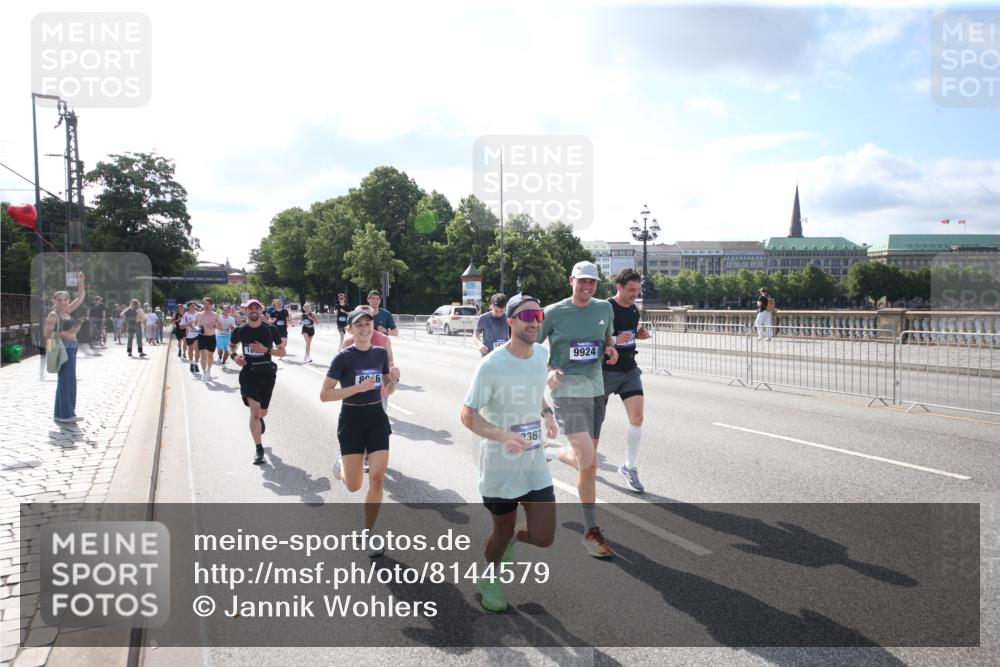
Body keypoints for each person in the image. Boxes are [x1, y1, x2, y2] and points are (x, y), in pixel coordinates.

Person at [460, 293, 558, 612]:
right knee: (500, 531)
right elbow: (467, 414)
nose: (535, 322)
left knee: (544, 536)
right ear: (511, 320)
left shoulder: (541, 355)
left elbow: (535, 391)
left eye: (539, 316)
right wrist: (502, 435)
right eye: (527, 316)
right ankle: (489, 577)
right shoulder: (491, 365)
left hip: (533, 462)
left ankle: (515, 539)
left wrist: (547, 413)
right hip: (500, 466)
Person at [536, 260, 617, 558]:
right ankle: (591, 531)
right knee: (589, 460)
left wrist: (610, 348)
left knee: (589, 464)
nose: (587, 286)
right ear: (571, 281)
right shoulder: (554, 312)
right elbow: (532, 348)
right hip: (566, 392)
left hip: (595, 391)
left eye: (592, 282)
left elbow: (607, 338)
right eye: (582, 281)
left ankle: (551, 452)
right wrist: (548, 371)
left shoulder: (604, 309)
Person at [321, 307, 400, 554]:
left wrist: (394, 380)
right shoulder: (343, 358)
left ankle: (367, 533)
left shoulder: (380, 353)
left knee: (377, 477)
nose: (364, 329)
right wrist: (356, 388)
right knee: (354, 486)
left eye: (368, 324)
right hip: (351, 420)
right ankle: (342, 464)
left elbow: (388, 389)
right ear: (350, 329)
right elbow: (324, 394)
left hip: (377, 418)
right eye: (359, 325)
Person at [597, 268, 652, 493]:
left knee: (637, 418)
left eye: (638, 290)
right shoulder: (605, 307)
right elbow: (593, 338)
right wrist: (613, 340)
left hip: (629, 370)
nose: (635, 294)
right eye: (631, 289)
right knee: (594, 423)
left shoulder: (634, 310)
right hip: (605, 372)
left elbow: (629, 334)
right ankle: (581, 457)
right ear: (618, 287)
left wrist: (638, 334)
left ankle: (629, 467)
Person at [230, 299, 286, 464]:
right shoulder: (240, 330)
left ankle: (260, 418)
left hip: (267, 374)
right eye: (250, 308)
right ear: (245, 311)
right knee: (254, 412)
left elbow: (282, 352)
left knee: (262, 412)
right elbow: (231, 346)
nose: (253, 310)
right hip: (248, 373)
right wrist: (235, 357)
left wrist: (265, 350)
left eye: (256, 308)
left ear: (261, 310)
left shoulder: (270, 329)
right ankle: (259, 449)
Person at [45, 273, 86, 423]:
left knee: (66, 381)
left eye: (65, 299)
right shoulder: (54, 315)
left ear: (68, 301)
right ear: (54, 301)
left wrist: (81, 282)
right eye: (59, 299)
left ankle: (60, 413)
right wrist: (66, 333)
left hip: (71, 348)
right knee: (67, 381)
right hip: (64, 348)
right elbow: (47, 334)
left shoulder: (67, 311)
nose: (62, 302)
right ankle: (66, 415)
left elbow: (80, 297)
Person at [194, 297, 223, 381]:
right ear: (203, 305)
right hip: (201, 337)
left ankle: (208, 371)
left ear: (211, 305)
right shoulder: (198, 315)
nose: (206, 305)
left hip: (211, 337)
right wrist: (197, 328)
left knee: (210, 356)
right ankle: (204, 373)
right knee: (203, 355)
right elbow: (193, 325)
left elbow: (221, 326)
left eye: (208, 304)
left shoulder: (215, 315)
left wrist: (214, 326)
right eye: (205, 304)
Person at [180, 301, 201, 373]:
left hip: (197, 334)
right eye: (191, 306)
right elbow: (181, 326)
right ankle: (191, 363)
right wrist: (188, 324)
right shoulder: (185, 315)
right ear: (188, 307)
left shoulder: (199, 314)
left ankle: (196, 364)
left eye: (194, 306)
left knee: (197, 349)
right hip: (189, 335)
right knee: (190, 350)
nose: (193, 307)